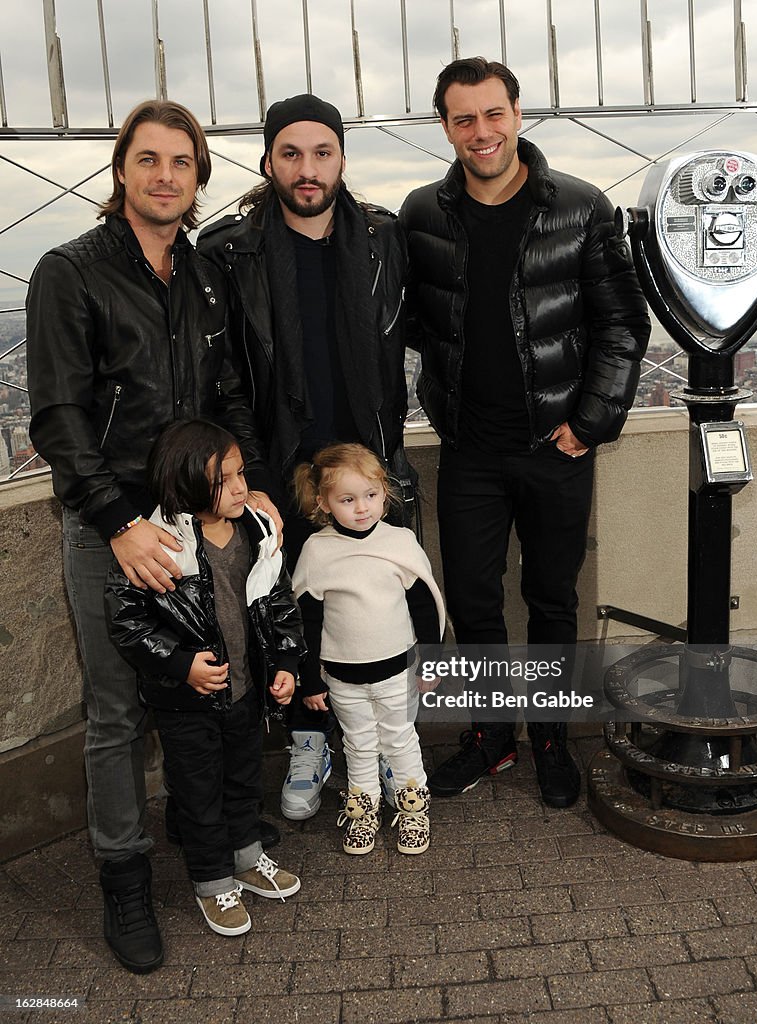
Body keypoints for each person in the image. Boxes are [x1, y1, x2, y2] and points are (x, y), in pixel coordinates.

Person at [26, 100, 279, 972]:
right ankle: (124, 881)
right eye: (149, 159)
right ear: (121, 171)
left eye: (182, 162)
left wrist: (251, 489)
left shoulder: (206, 277)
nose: (166, 175)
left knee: (204, 690)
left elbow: (228, 396)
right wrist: (116, 522)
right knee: (118, 711)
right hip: (113, 526)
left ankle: (207, 840)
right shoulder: (71, 271)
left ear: (198, 177)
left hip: (197, 523)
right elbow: (57, 416)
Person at [399, 58, 651, 807]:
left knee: (550, 598)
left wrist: (587, 425)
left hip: (554, 448)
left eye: (493, 113)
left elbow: (622, 326)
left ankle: (548, 732)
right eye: (463, 118)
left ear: (517, 113)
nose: (481, 132)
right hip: (470, 449)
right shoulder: (421, 214)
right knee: (472, 600)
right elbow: (408, 318)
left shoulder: (580, 207)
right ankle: (489, 733)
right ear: (445, 127)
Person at [198, 94, 412, 823]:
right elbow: (223, 375)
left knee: (374, 612)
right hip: (276, 466)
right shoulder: (231, 251)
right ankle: (308, 740)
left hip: (365, 464)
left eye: (322, 152)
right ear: (267, 162)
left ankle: (383, 744)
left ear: (342, 159)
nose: (307, 167)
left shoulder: (383, 238)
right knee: (288, 616)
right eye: (290, 153)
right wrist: (249, 477)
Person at [105, 419, 305, 936]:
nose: (242, 487)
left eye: (240, 473)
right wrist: (179, 664)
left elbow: (279, 603)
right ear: (185, 482)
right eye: (226, 480)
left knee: (243, 779)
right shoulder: (160, 542)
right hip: (187, 702)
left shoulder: (255, 533)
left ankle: (245, 856)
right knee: (199, 792)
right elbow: (127, 623)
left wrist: (284, 662)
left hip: (245, 692)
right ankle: (212, 882)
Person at [290, 444, 445, 855]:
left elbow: (425, 605)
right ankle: (363, 812)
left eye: (371, 495)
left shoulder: (400, 542)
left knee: (400, 739)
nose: (362, 508)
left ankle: (413, 809)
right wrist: (309, 680)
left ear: (384, 492)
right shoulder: (316, 551)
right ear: (323, 502)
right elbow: (307, 621)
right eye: (347, 499)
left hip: (397, 671)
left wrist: (430, 661)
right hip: (342, 676)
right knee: (358, 744)